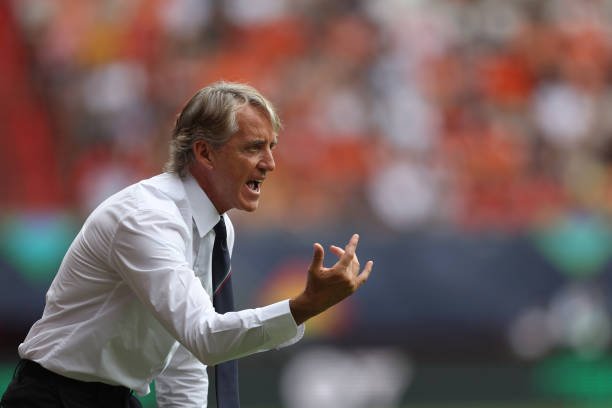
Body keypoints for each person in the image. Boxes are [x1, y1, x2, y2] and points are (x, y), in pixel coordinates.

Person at [0, 81, 373, 407]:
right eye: (253, 148)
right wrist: (303, 306)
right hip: (53, 398)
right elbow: (204, 336)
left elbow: (184, 354)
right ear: (205, 152)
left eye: (271, 146)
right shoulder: (147, 219)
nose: (270, 163)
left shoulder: (218, 227)